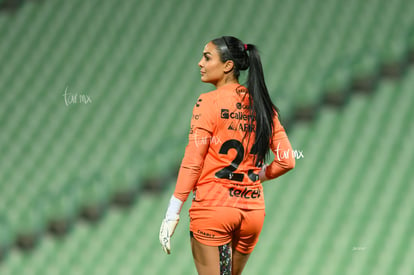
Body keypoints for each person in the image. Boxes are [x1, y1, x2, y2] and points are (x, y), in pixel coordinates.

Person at [159, 36, 295, 275]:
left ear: (228, 65)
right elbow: (287, 160)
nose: (200, 63)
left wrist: (172, 213)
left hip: (214, 209)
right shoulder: (263, 105)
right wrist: (255, 176)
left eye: (207, 57)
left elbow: (193, 162)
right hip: (252, 211)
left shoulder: (207, 103)